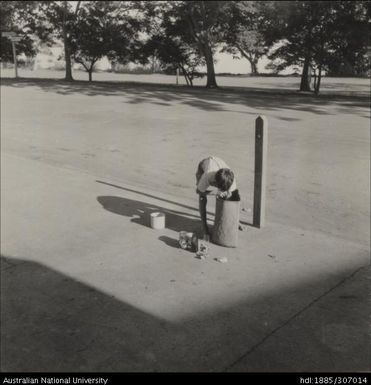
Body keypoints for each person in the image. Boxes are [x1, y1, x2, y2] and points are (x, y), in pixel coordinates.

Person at [195, 156, 241, 239]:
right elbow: (198, 191)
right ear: (215, 183)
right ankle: (205, 229)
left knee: (231, 196)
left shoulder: (232, 180)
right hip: (204, 165)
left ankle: (234, 221)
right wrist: (215, 193)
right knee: (202, 197)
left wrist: (228, 194)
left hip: (218, 165)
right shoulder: (207, 176)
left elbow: (231, 195)